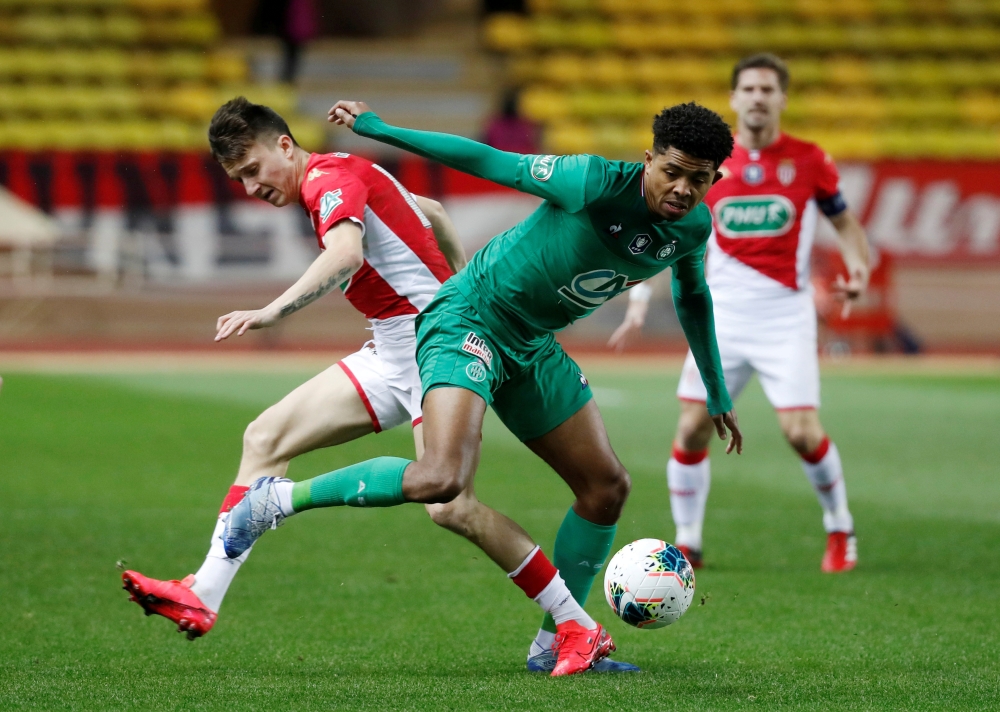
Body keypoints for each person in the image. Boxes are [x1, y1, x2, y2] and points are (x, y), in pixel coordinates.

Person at [220, 99, 743, 676]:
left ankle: (557, 644)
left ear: (714, 180)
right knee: (441, 479)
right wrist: (379, 128)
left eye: (698, 179)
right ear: (649, 159)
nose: (682, 189)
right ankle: (278, 500)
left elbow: (693, 296)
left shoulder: (693, 227)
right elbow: (487, 159)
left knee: (606, 488)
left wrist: (716, 390)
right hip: (469, 317)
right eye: (672, 171)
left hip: (531, 343)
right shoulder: (591, 181)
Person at [122, 96, 468, 638]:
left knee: (450, 506)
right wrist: (465, 285)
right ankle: (202, 594)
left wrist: (271, 311)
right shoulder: (340, 173)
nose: (250, 188)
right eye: (239, 179)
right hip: (392, 349)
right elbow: (437, 213)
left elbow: (346, 255)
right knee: (264, 438)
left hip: (433, 349)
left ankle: (570, 621)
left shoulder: (327, 180)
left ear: (285, 145)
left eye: (253, 169)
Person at [609, 53, 870, 573]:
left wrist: (858, 268)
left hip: (784, 315)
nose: (757, 97)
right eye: (748, 88)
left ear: (782, 98)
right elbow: (667, 233)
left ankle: (840, 526)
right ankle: (688, 542)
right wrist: (638, 300)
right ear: (734, 97)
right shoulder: (706, 165)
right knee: (692, 427)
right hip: (721, 316)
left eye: (767, 89)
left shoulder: (810, 160)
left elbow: (845, 224)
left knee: (801, 432)